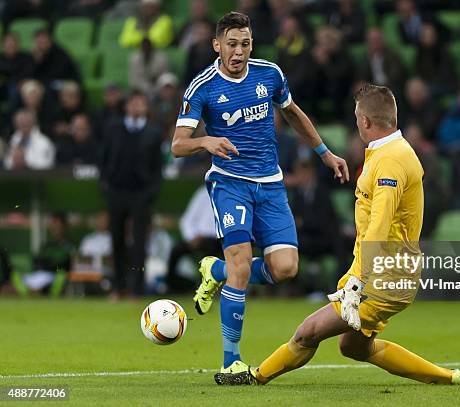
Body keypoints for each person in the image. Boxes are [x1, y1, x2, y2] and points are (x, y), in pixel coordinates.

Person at [213, 83, 460, 386]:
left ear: (364, 121)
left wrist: (357, 282)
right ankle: (448, 378)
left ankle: (256, 376)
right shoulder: (391, 152)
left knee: (308, 332)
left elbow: (380, 225)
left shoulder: (391, 161)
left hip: (382, 276)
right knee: (353, 347)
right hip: (382, 270)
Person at [170, 12, 349, 380]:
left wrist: (325, 153)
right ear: (216, 45)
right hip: (229, 183)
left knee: (286, 269)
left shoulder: (270, 74)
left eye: (246, 44)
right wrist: (205, 139)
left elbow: (294, 114)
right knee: (241, 263)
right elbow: (177, 146)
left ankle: (214, 270)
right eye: (232, 44)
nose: (239, 52)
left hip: (270, 184)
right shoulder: (201, 86)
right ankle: (230, 360)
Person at [99, 91, 162, 299]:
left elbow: (157, 168)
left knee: (139, 243)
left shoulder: (153, 133)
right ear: (127, 107)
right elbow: (103, 158)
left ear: (145, 107)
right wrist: (105, 186)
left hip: (140, 194)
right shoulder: (113, 128)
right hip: (116, 192)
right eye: (133, 103)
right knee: (116, 239)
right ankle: (118, 287)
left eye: (140, 103)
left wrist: (150, 193)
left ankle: (137, 288)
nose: (136, 107)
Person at [166, 186, 221, 292]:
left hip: (217, 238)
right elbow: (187, 219)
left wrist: (208, 235)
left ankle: (207, 289)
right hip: (196, 237)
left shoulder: (230, 193)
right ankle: (171, 286)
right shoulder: (202, 193)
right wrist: (191, 237)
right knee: (176, 250)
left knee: (211, 249)